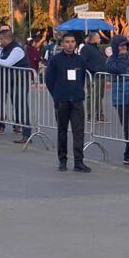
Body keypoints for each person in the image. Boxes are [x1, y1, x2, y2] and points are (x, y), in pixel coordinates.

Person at [44, 33, 91, 173]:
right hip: (61, 101)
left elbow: (82, 77)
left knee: (79, 132)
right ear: (62, 44)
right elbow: (49, 79)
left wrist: (78, 91)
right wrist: (56, 95)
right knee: (62, 131)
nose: (70, 44)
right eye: (67, 42)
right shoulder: (55, 60)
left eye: (72, 42)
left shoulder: (80, 60)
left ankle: (79, 162)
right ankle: (62, 160)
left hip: (77, 101)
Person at [0, 28, 33, 144]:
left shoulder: (17, 49)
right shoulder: (3, 49)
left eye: (0, 39)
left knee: (21, 106)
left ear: (7, 39)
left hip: (20, 81)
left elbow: (8, 63)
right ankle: (0, 113)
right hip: (8, 80)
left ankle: (26, 134)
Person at [106, 36, 129, 167]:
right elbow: (119, 70)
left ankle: (128, 155)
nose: (123, 48)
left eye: (125, 45)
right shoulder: (111, 61)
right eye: (120, 46)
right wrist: (121, 57)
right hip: (122, 99)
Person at [80, 31, 108, 122]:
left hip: (101, 75)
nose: (100, 39)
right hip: (93, 76)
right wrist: (93, 69)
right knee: (92, 96)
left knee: (99, 96)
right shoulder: (86, 49)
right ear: (94, 39)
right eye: (98, 37)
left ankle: (99, 115)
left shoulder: (97, 48)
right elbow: (84, 62)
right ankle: (91, 115)